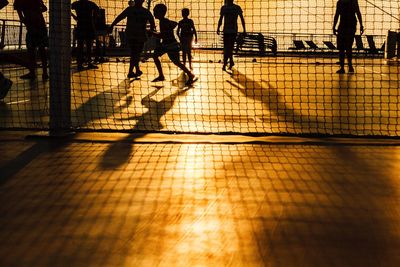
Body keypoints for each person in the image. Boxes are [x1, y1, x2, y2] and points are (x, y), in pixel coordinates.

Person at [150, 4, 196, 86]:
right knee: (155, 56)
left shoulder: (164, 22)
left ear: (160, 13)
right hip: (165, 44)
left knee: (177, 62)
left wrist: (151, 32)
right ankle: (161, 75)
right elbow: (174, 24)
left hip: (171, 45)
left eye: (155, 12)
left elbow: (162, 35)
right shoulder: (164, 21)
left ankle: (190, 75)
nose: (154, 13)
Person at [109, 0, 155, 78]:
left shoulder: (130, 9)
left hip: (130, 34)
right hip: (140, 35)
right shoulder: (145, 11)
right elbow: (152, 23)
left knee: (134, 53)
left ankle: (137, 70)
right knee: (136, 54)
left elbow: (119, 17)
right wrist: (151, 33)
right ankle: (130, 72)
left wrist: (112, 25)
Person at [14, 0, 49, 80]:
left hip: (32, 28)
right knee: (41, 50)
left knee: (31, 51)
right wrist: (36, 11)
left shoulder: (18, 1)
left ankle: (33, 72)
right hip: (40, 26)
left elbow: (21, 17)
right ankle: (44, 73)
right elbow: (45, 8)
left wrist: (28, 24)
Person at [333, 0, 364, 74]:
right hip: (351, 25)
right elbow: (358, 13)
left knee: (341, 48)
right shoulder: (353, 1)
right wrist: (361, 25)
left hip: (343, 25)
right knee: (348, 47)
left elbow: (337, 15)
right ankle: (350, 67)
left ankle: (342, 68)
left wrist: (334, 26)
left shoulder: (340, 2)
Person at [217, 0, 246, 71]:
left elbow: (221, 19)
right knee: (229, 47)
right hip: (231, 30)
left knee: (227, 47)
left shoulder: (225, 8)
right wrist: (244, 29)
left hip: (230, 30)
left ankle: (226, 63)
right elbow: (242, 19)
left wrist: (218, 27)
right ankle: (230, 61)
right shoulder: (236, 7)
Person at [71, 0, 100, 71]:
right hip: (89, 26)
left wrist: (74, 16)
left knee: (80, 46)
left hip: (81, 25)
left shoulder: (76, 4)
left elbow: (68, 8)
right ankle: (88, 63)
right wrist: (94, 19)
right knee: (88, 45)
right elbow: (97, 11)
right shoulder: (91, 4)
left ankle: (80, 64)